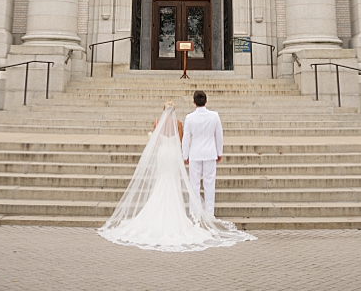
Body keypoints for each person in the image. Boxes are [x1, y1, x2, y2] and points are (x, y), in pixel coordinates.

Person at [97, 100, 251, 252]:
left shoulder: (157, 122)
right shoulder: (178, 123)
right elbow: (182, 140)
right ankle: (189, 214)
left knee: (162, 180)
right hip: (173, 155)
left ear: (163, 110)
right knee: (174, 182)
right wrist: (184, 156)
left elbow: (156, 143)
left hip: (163, 154)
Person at [181, 89, 225, 219]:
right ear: (206, 101)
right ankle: (209, 212)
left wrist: (185, 155)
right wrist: (219, 152)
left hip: (195, 152)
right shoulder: (214, 116)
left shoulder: (189, 117)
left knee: (194, 184)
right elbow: (219, 136)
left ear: (194, 102)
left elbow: (186, 138)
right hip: (210, 152)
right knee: (209, 183)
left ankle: (195, 211)